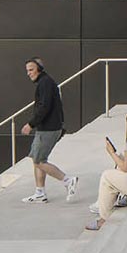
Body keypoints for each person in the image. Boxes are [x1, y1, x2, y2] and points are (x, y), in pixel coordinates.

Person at [19, 57, 79, 203]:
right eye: (27, 70)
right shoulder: (45, 82)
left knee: (39, 161)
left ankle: (67, 180)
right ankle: (40, 193)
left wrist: (30, 124)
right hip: (48, 128)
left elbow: (44, 107)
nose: (29, 73)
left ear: (39, 69)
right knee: (38, 159)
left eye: (31, 69)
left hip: (48, 129)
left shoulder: (45, 83)